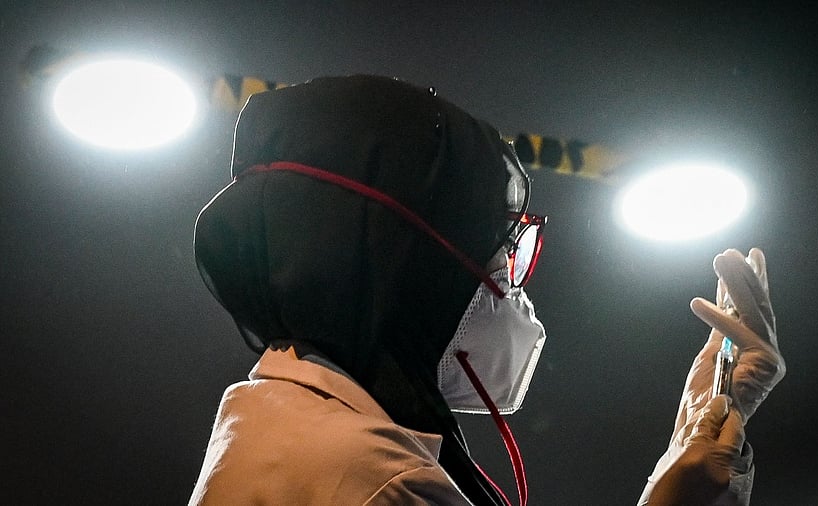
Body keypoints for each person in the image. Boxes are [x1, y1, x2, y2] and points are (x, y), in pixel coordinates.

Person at [188, 74, 785, 505]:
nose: (516, 284)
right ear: (414, 267)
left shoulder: (275, 421)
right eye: (504, 248)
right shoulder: (370, 476)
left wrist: (694, 432)